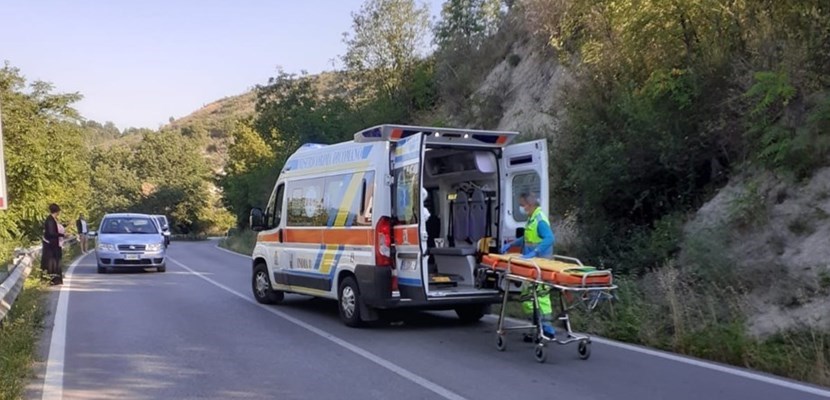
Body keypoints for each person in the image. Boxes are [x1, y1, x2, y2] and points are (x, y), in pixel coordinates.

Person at [500, 192, 556, 340]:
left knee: (541, 297)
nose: (521, 207)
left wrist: (535, 252)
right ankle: (537, 329)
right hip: (531, 266)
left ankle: (547, 328)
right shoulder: (532, 218)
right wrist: (511, 244)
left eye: (522, 204)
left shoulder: (539, 220)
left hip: (541, 266)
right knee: (529, 298)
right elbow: (526, 238)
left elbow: (550, 238)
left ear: (529, 204)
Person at [42, 203, 65, 285]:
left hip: (54, 244)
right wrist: (62, 235)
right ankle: (52, 279)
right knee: (52, 263)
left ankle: (55, 279)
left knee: (55, 262)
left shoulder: (52, 219)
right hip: (51, 246)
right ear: (57, 211)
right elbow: (51, 233)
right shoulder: (50, 220)